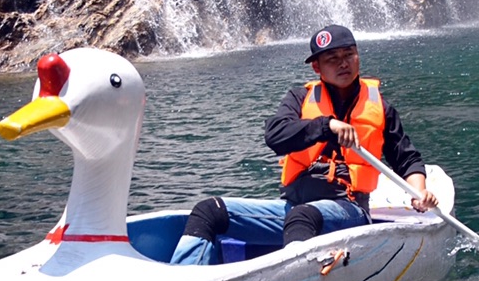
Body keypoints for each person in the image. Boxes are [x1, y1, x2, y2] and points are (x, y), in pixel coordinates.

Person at [170, 24, 439, 265]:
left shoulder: (381, 107)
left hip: (349, 211)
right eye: (332, 59)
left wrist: (419, 192)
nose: (343, 63)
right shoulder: (299, 98)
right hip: (292, 211)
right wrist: (326, 126)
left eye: (348, 55)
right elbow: (275, 135)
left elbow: (406, 159)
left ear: (358, 56)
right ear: (317, 68)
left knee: (302, 216)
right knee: (209, 211)